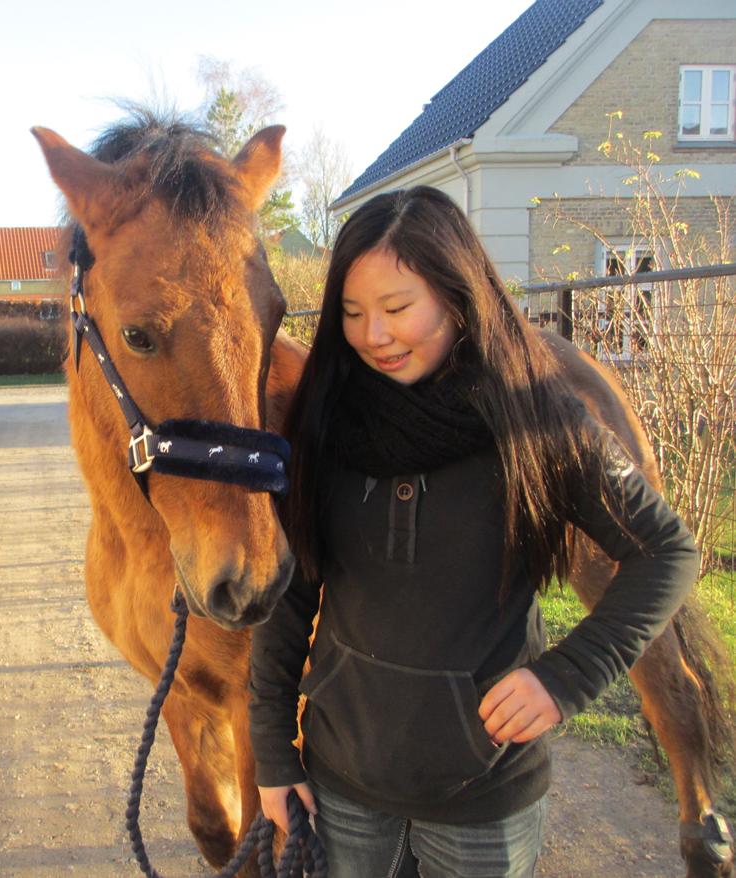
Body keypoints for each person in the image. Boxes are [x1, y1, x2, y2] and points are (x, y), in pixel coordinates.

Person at [249, 186, 699, 877]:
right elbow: (291, 600)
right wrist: (274, 753)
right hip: (342, 790)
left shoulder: (537, 418)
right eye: (352, 312)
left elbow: (665, 551)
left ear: (457, 296)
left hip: (485, 804)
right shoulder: (328, 421)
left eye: (397, 308)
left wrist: (567, 676)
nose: (373, 335)